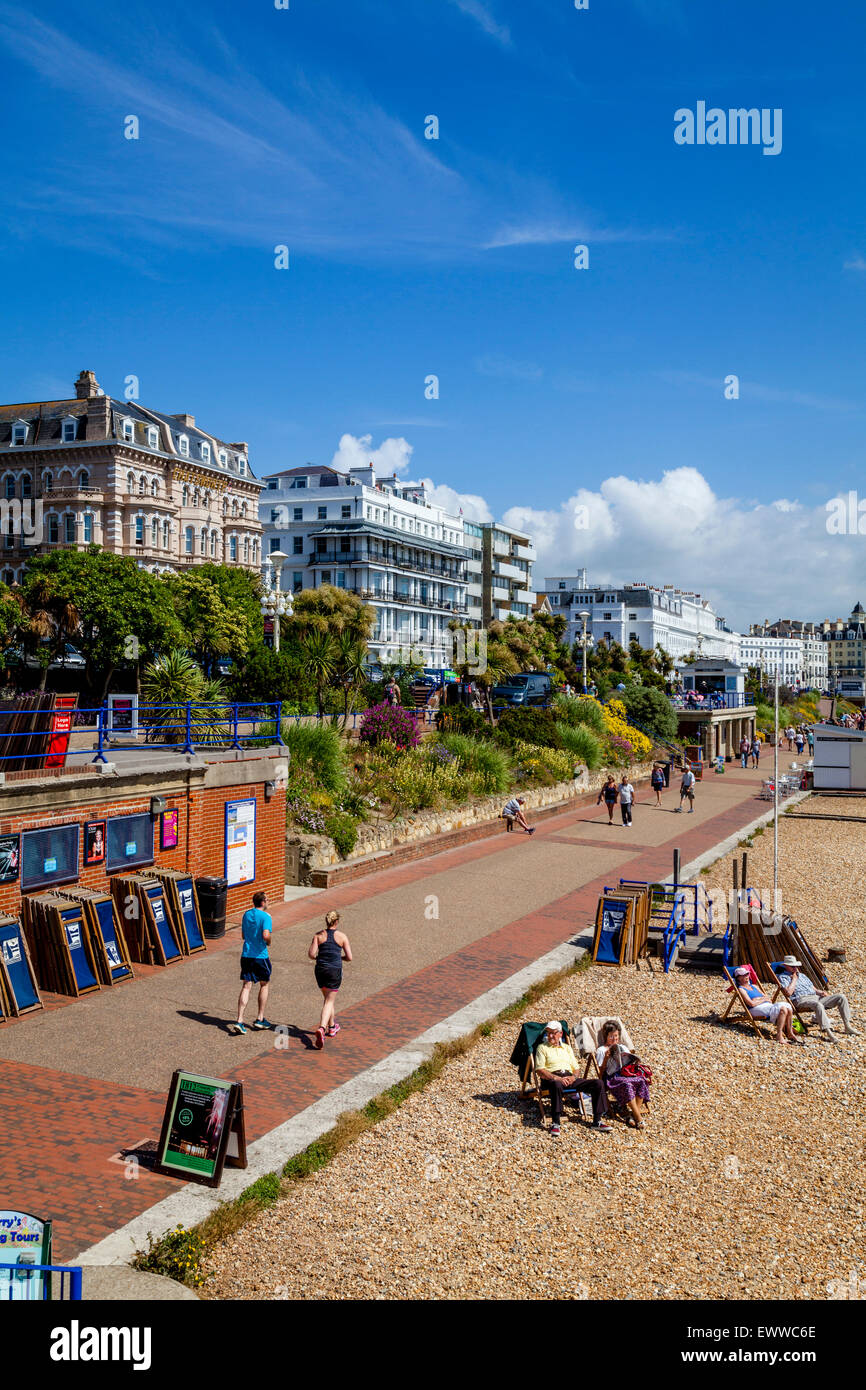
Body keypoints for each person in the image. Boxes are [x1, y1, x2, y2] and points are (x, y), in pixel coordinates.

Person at [534, 1021, 611, 1137]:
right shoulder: (542, 1048)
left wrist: (573, 1077)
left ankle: (597, 1121)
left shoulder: (567, 1048)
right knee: (556, 1084)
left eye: (553, 1033)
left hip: (568, 1077)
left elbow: (576, 1068)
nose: (550, 1036)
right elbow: (540, 1070)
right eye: (548, 1033)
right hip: (551, 1078)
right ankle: (556, 1122)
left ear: (560, 1034)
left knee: (598, 1083)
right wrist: (557, 1078)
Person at [775, 955, 860, 1042]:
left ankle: (847, 1026)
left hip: (815, 997)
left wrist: (821, 992)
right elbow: (788, 993)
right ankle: (829, 1032)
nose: (795, 968)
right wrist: (794, 980)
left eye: (796, 966)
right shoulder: (783, 977)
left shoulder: (802, 975)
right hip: (801, 999)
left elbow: (813, 989)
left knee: (841, 997)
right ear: (785, 966)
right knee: (818, 1005)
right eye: (792, 966)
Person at [308, 910, 352, 1048]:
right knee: (329, 1000)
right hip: (334, 971)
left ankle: (332, 1026)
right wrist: (340, 958)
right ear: (337, 921)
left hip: (320, 970)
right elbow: (349, 957)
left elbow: (311, 954)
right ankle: (322, 1028)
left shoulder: (318, 936)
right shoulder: (342, 936)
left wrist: (319, 958)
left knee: (328, 998)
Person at [596, 1020, 650, 1129]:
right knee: (627, 1084)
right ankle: (638, 1118)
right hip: (611, 1078)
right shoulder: (601, 1050)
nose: (614, 1039)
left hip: (626, 1075)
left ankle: (632, 1115)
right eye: (611, 1036)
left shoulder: (623, 1047)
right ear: (606, 1036)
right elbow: (600, 1074)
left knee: (641, 1081)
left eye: (616, 1036)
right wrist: (606, 1059)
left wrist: (634, 1061)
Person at [233, 891, 273, 1035]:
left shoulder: (246, 915)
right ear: (262, 902)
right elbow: (266, 935)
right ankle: (260, 1018)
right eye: (267, 900)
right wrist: (268, 941)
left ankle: (239, 1020)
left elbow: (244, 935)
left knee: (246, 985)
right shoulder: (266, 917)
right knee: (264, 984)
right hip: (260, 956)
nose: (268, 902)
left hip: (246, 955)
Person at [731, 966, 798, 1044]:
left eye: (747, 974)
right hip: (755, 1009)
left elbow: (768, 999)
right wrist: (762, 999)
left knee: (788, 1008)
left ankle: (790, 1033)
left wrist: (758, 999)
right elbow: (751, 1003)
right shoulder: (741, 989)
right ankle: (779, 1036)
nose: (747, 976)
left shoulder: (755, 986)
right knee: (783, 1009)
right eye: (743, 975)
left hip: (766, 1006)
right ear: (738, 978)